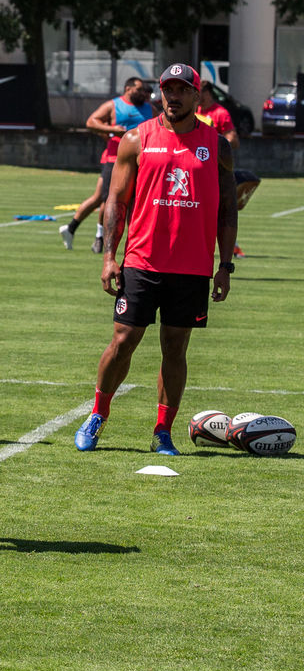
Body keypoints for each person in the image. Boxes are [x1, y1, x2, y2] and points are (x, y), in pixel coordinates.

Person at [73, 63, 236, 456]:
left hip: (192, 268)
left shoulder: (217, 146)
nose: (173, 96)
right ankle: (97, 414)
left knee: (175, 348)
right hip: (142, 261)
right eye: (168, 89)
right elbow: (116, 202)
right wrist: (109, 257)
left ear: (197, 95)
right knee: (123, 339)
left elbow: (228, 209)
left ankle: (163, 431)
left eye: (182, 90)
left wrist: (225, 266)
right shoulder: (136, 139)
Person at [61, 77, 154, 253]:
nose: (143, 93)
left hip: (142, 161)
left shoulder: (150, 108)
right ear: (128, 88)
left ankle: (74, 229)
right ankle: (99, 237)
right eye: (139, 89)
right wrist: (112, 130)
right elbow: (91, 122)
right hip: (115, 159)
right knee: (110, 200)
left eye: (144, 91)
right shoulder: (114, 105)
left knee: (120, 200)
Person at [196, 84, 252, 258]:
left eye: (199, 92)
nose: (196, 96)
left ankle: (232, 247)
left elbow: (233, 141)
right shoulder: (194, 110)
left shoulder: (220, 113)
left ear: (207, 93)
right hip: (193, 168)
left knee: (221, 208)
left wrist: (214, 141)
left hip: (213, 170)